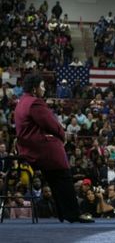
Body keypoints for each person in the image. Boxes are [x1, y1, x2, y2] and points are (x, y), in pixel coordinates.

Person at [14, 73, 94, 223]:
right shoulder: (35, 103)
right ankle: (73, 214)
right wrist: (63, 136)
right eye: (42, 86)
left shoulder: (22, 101)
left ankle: (63, 213)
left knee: (54, 176)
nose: (44, 90)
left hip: (28, 147)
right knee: (63, 174)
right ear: (34, 88)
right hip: (38, 149)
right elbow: (51, 124)